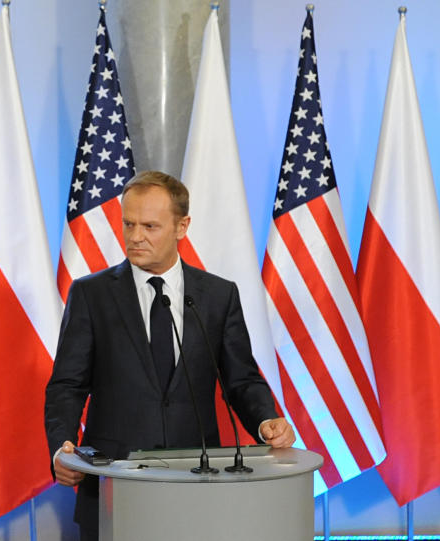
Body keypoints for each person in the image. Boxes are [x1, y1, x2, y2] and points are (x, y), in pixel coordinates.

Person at [44, 171, 294, 540]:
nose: (134, 237)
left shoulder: (217, 296)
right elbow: (67, 385)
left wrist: (265, 419)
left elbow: (241, 378)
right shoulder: (91, 295)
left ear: (182, 226)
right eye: (128, 223)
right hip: (114, 485)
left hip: (197, 481)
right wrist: (61, 449)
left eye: (149, 226)